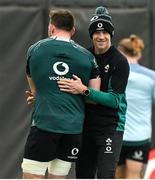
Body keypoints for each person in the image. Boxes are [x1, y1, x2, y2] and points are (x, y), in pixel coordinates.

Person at [22, 9, 100, 179]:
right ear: (73, 30)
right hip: (73, 128)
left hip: (44, 124)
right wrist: (80, 90)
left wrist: (38, 93)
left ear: (51, 28)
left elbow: (33, 85)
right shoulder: (88, 57)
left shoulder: (35, 49)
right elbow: (95, 97)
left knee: (32, 176)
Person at [57, 6, 130, 178]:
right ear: (91, 35)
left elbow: (114, 100)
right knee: (83, 175)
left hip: (110, 128)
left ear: (111, 34)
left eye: (105, 32)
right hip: (84, 126)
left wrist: (85, 90)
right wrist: (38, 95)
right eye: (97, 33)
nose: (101, 36)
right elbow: (68, 84)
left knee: (105, 175)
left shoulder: (119, 61)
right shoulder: (84, 56)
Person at [115, 34, 155, 179]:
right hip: (140, 137)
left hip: (116, 135)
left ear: (119, 52)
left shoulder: (112, 75)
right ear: (138, 53)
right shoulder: (151, 77)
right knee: (134, 176)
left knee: (117, 176)